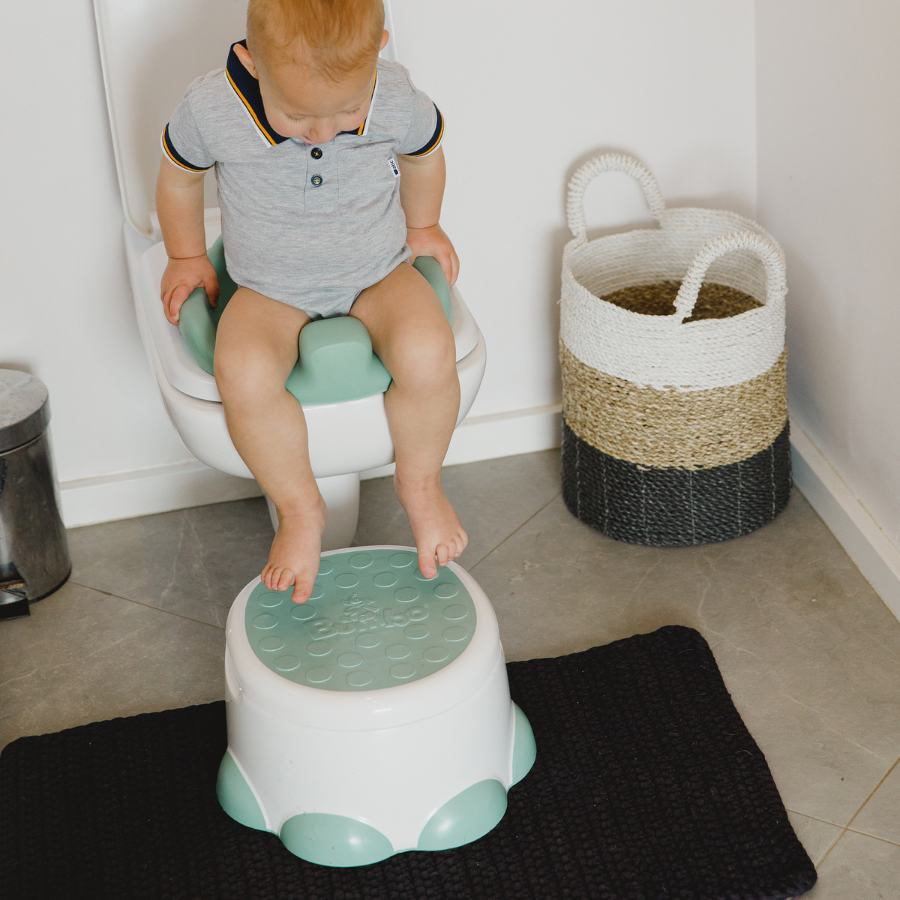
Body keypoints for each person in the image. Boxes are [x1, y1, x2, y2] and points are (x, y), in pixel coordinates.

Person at [156, 0, 466, 602]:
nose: (323, 132)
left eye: (348, 111)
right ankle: (299, 510)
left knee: (430, 349)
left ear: (377, 49)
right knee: (242, 371)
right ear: (251, 65)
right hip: (269, 289)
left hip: (377, 274)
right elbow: (178, 175)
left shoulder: (392, 93)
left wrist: (423, 226)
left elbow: (424, 152)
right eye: (297, 115)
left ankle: (422, 486)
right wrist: (187, 254)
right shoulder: (212, 106)